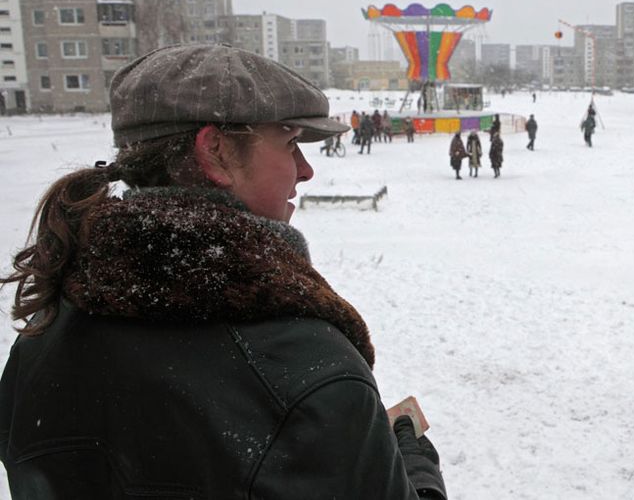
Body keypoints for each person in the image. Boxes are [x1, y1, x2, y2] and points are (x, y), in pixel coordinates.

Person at [0, 44, 447, 498]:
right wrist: (414, 466)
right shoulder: (307, 371)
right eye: (290, 142)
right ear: (215, 152)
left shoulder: (44, 337)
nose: (306, 169)